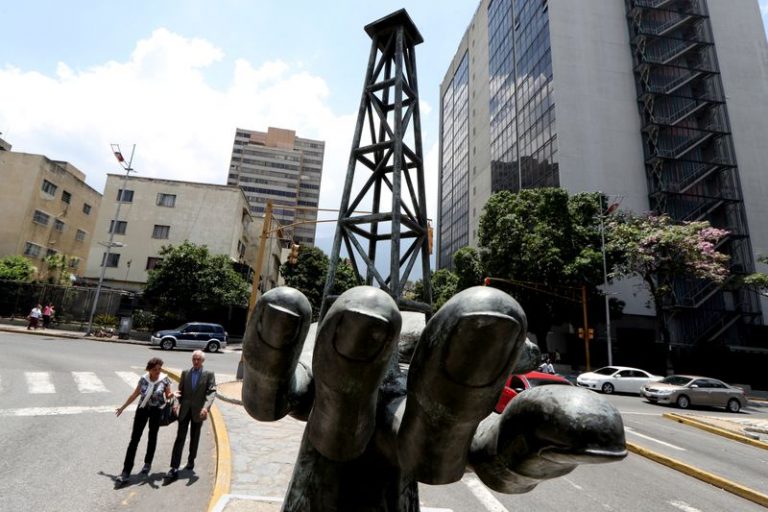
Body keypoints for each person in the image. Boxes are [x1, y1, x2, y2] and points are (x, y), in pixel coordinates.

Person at [115, 357, 174, 485]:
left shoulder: (164, 380)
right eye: (155, 369)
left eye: (159, 369)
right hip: (142, 410)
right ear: (149, 369)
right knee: (134, 440)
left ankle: (147, 464)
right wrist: (123, 407)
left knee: (152, 437)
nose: (158, 371)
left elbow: (168, 394)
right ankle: (126, 471)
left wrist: (171, 395)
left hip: (156, 411)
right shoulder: (144, 380)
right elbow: (135, 394)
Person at [165, 350, 216, 481]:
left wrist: (206, 407)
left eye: (198, 359)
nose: (196, 361)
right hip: (184, 410)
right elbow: (180, 391)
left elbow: (211, 392)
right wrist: (176, 404)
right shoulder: (185, 373)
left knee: (195, 436)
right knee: (180, 438)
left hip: (198, 411)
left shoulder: (209, 374)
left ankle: (191, 460)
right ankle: (174, 467)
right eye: (194, 359)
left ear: (203, 361)